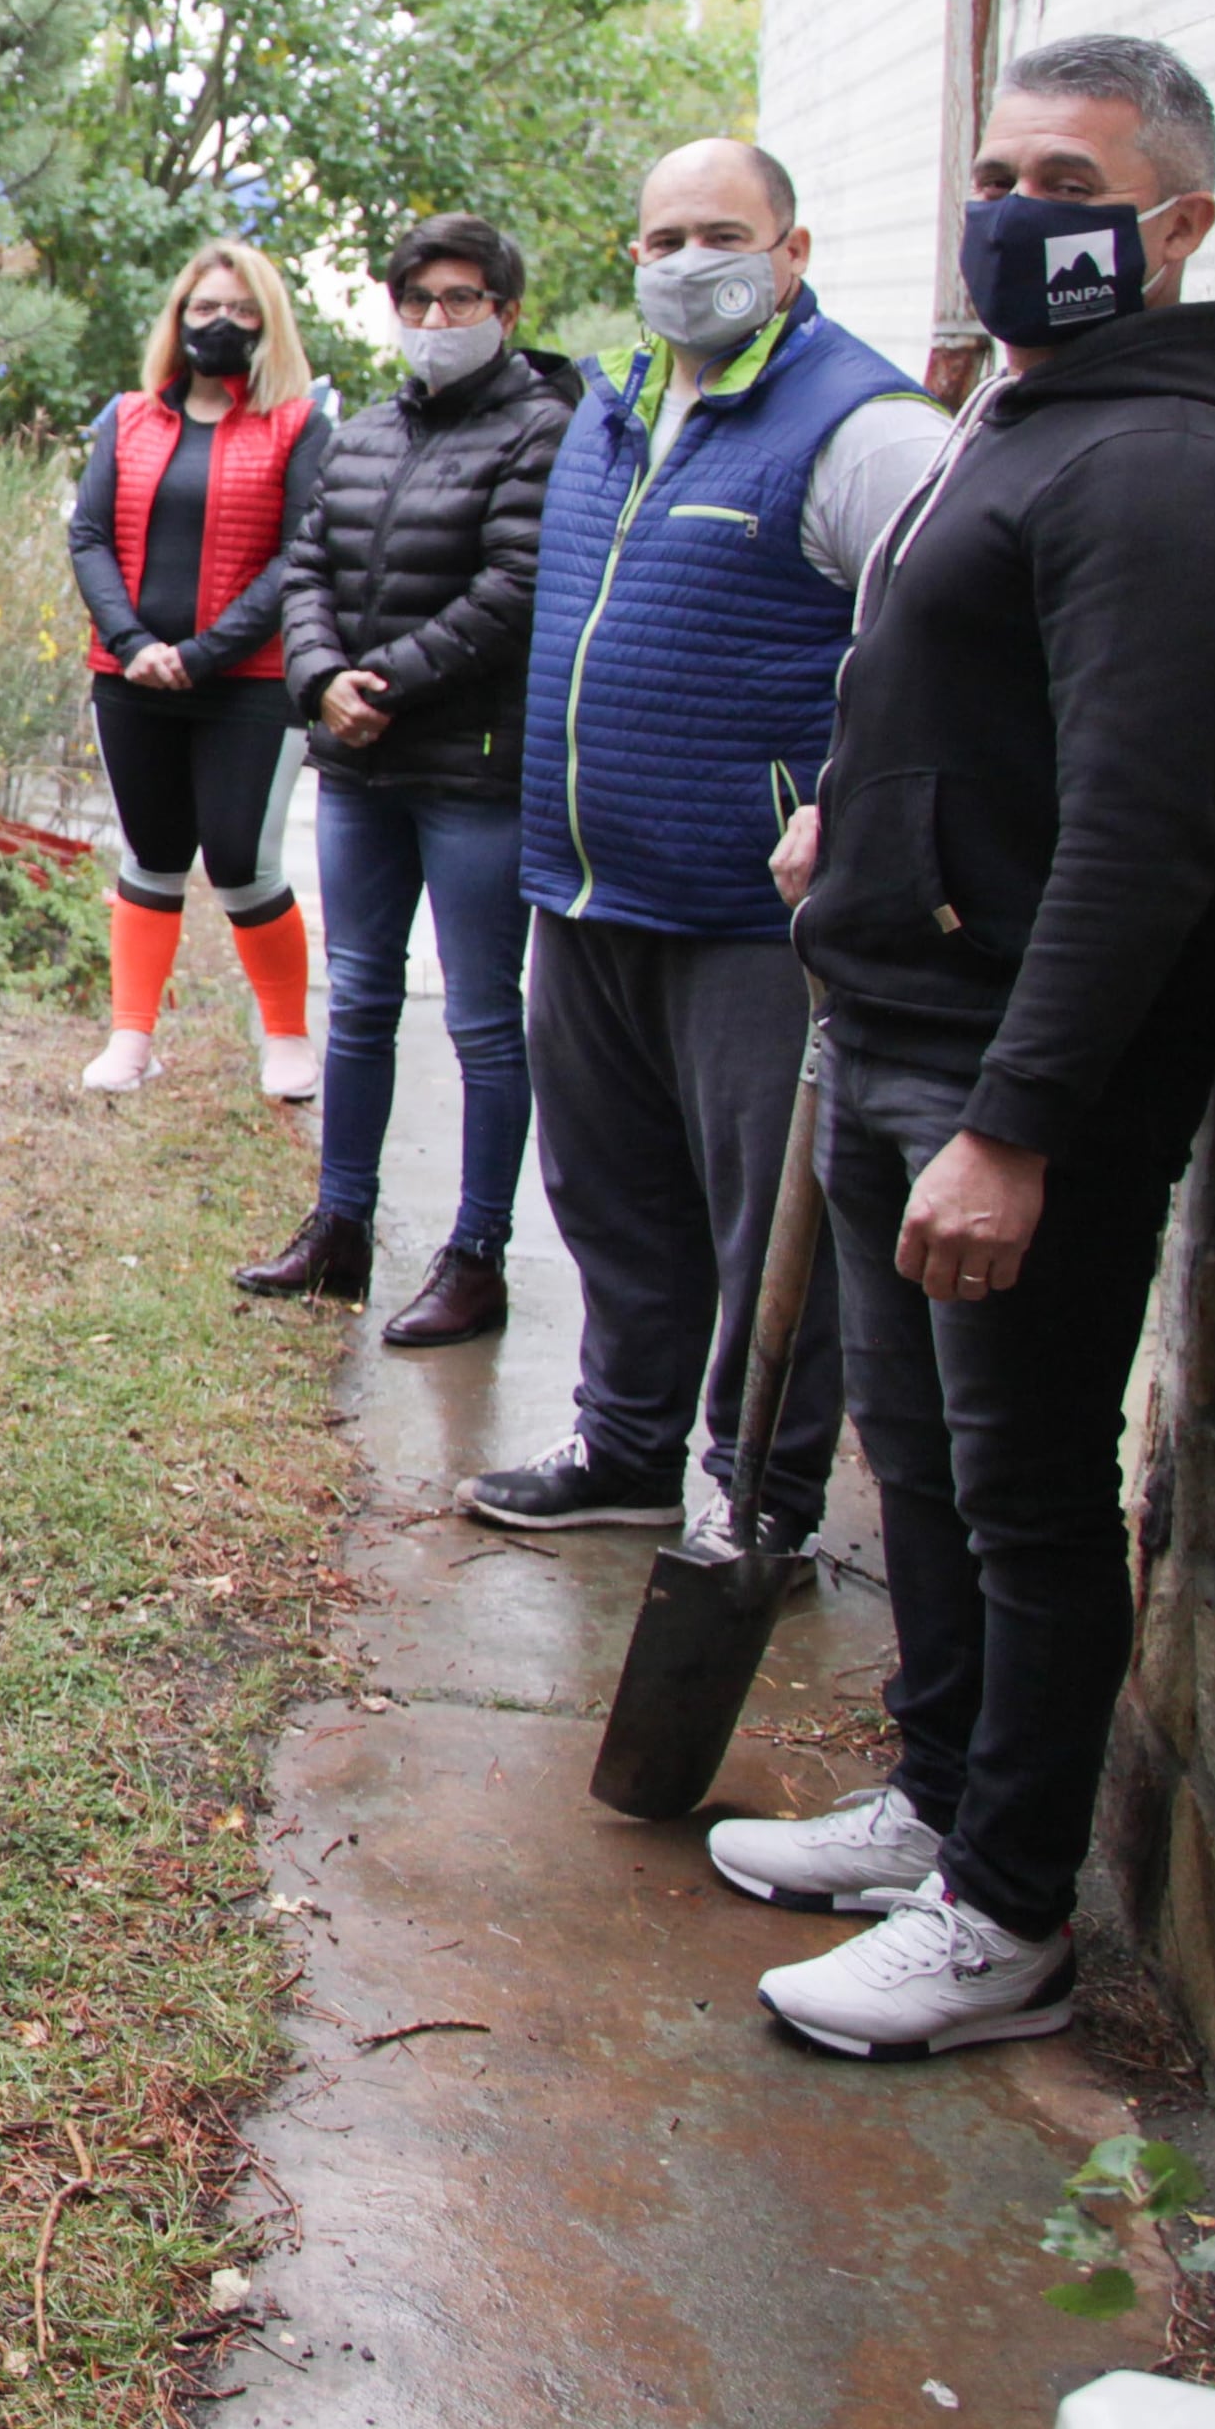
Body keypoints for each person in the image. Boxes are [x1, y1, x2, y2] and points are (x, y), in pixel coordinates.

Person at [718, 36, 1215, 2058]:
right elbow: (965, 697)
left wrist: (1018, 1125)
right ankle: (935, 1801)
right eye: (995, 166)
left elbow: (1142, 831)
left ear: (1177, 224)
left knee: (1027, 1492)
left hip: (999, 1077)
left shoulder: (1166, 466)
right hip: (896, 1023)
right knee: (936, 1482)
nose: (1013, 208)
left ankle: (1007, 1907)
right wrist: (848, 818)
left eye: (1067, 174)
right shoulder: (1028, 414)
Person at [463, 138, 950, 1540]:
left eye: (723, 234)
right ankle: (622, 1447)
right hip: (589, 889)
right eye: (665, 239)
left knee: (772, 1231)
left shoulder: (863, 427)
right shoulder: (614, 411)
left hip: (753, 916)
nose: (691, 264)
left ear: (792, 253)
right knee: (612, 1202)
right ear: (632, 259)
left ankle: (760, 1495)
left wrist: (847, 804)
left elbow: (957, 640)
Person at [229, 219, 579, 1346]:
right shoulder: (364, 430)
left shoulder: (542, 430)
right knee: (359, 1000)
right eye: (418, 300)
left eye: (461, 300)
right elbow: (308, 567)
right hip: (356, 762)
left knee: (481, 1017)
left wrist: (382, 681)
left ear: (505, 311)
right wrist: (322, 677)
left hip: (471, 769)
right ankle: (337, 1230)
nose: (436, 320)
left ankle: (474, 1256)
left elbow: (514, 583)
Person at [66, 242, 331, 1097]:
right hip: (131, 676)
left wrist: (206, 653)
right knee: (150, 853)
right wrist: (135, 642)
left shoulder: (299, 423)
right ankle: (130, 1039)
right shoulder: (130, 417)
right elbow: (90, 536)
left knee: (241, 857)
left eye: (242, 310)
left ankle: (287, 1038)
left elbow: (301, 554)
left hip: (249, 682)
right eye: (205, 308)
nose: (222, 324)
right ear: (179, 319)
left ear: (270, 321)